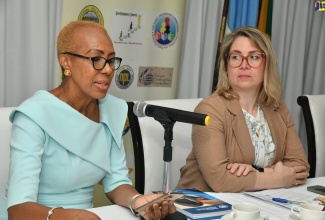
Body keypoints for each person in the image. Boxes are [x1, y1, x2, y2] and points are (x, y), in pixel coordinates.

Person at [1, 20, 176, 220]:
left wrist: (138, 201)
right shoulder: (34, 115)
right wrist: (66, 216)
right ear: (66, 62)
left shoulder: (113, 109)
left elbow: (116, 181)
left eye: (111, 60)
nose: (108, 70)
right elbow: (18, 209)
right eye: (96, 59)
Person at [175, 26, 310, 193]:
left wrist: (257, 171)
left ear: (267, 64)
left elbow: (300, 167)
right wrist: (278, 177)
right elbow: (221, 180)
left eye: (253, 57)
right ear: (226, 66)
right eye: (236, 57)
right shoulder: (210, 109)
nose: (244, 65)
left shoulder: (278, 107)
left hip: (257, 204)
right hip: (202, 206)